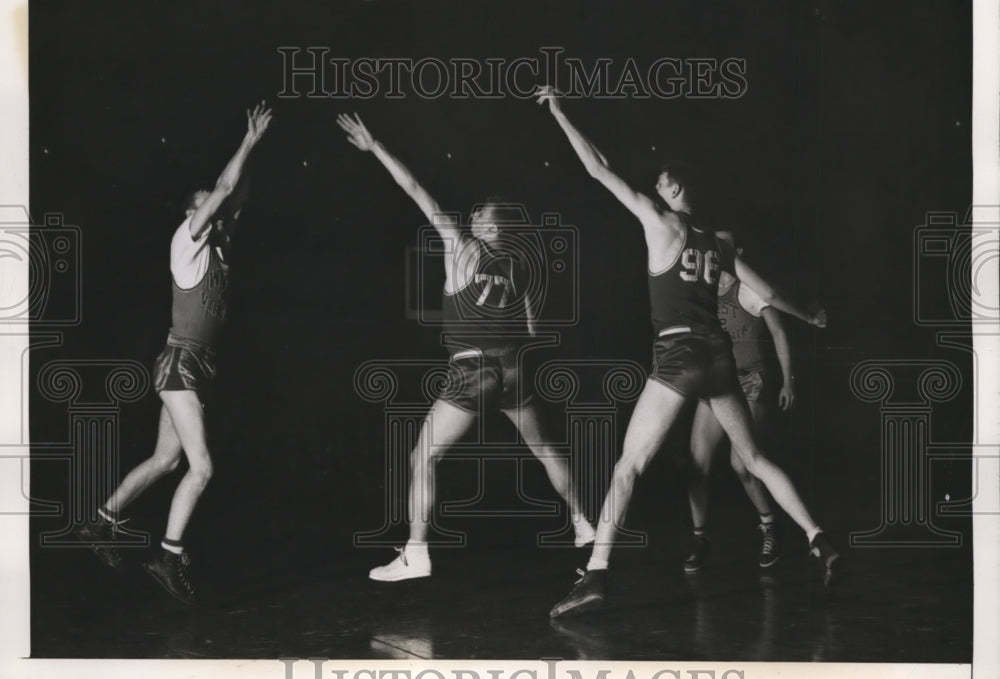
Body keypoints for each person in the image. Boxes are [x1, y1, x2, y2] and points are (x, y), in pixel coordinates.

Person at [534, 88, 840, 618]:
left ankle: (598, 575)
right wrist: (809, 315)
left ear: (673, 188)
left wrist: (561, 112)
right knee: (756, 459)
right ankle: (818, 538)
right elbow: (766, 294)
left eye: (658, 182)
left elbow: (598, 168)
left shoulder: (661, 222)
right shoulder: (719, 243)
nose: (652, 186)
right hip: (719, 358)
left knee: (629, 465)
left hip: (679, 355)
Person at [335, 112, 595, 582]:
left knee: (423, 457)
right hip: (514, 369)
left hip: (474, 369)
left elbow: (415, 189)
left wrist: (375, 145)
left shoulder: (461, 247)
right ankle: (584, 526)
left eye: (480, 213)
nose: (471, 215)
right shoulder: (521, 269)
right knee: (545, 448)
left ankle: (417, 552)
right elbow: (534, 331)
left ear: (491, 227)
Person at [74, 101, 272, 605]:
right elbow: (226, 189)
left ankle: (100, 525)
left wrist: (256, 154)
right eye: (207, 206)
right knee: (201, 468)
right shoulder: (186, 241)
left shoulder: (220, 248)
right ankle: (168, 555)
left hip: (196, 366)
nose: (218, 211)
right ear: (192, 213)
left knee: (166, 460)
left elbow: (236, 193)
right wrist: (247, 140)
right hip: (180, 363)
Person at [684, 232, 800, 573]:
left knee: (742, 463)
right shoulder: (702, 291)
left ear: (739, 251)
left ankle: (769, 526)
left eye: (725, 247)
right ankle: (699, 537)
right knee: (696, 463)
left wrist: (789, 382)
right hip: (717, 381)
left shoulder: (749, 288)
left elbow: (780, 333)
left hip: (751, 379)